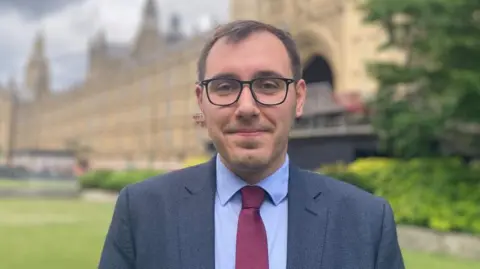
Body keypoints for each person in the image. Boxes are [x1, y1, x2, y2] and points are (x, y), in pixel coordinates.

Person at [98, 20, 405, 269]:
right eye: (225, 86)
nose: (246, 107)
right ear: (201, 101)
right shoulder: (142, 213)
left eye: (268, 85)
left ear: (299, 99)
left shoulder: (366, 223)